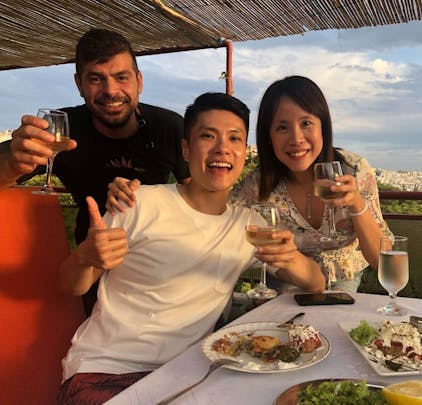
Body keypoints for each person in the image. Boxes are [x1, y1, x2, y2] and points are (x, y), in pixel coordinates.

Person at [56, 92, 325, 403]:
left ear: (243, 152)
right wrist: (85, 258)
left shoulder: (249, 225)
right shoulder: (137, 202)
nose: (222, 148)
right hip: (107, 368)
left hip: (189, 373)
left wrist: (289, 256)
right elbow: (70, 285)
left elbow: (316, 281)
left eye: (234, 138)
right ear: (185, 148)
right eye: (208, 136)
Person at [105, 76, 390, 293]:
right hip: (288, 281)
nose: (296, 139)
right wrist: (135, 195)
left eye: (306, 123)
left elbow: (385, 262)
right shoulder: (258, 186)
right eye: (281, 127)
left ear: (323, 126)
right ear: (267, 137)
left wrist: (356, 204)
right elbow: (208, 203)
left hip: (344, 280)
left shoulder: (352, 169)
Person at [0, 28, 188, 315]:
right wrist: (13, 164)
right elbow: (8, 167)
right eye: (96, 79)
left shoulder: (169, 127)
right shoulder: (59, 128)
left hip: (156, 269)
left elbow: (199, 194)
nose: (111, 91)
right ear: (79, 84)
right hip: (89, 267)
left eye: (121, 77)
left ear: (138, 80)